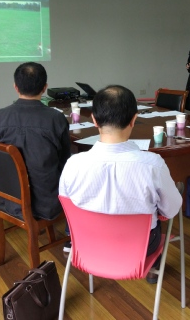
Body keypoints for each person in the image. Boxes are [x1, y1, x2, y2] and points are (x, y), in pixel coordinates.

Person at [59, 85, 183, 283]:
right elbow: (171, 210)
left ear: (94, 120)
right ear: (134, 119)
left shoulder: (72, 164)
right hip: (141, 247)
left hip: (88, 243)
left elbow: (68, 207)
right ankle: (153, 267)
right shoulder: (153, 165)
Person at [0, 62, 71, 221]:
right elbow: (65, 161)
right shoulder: (56, 119)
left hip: (8, 200)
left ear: (16, 87)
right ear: (44, 87)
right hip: (48, 204)